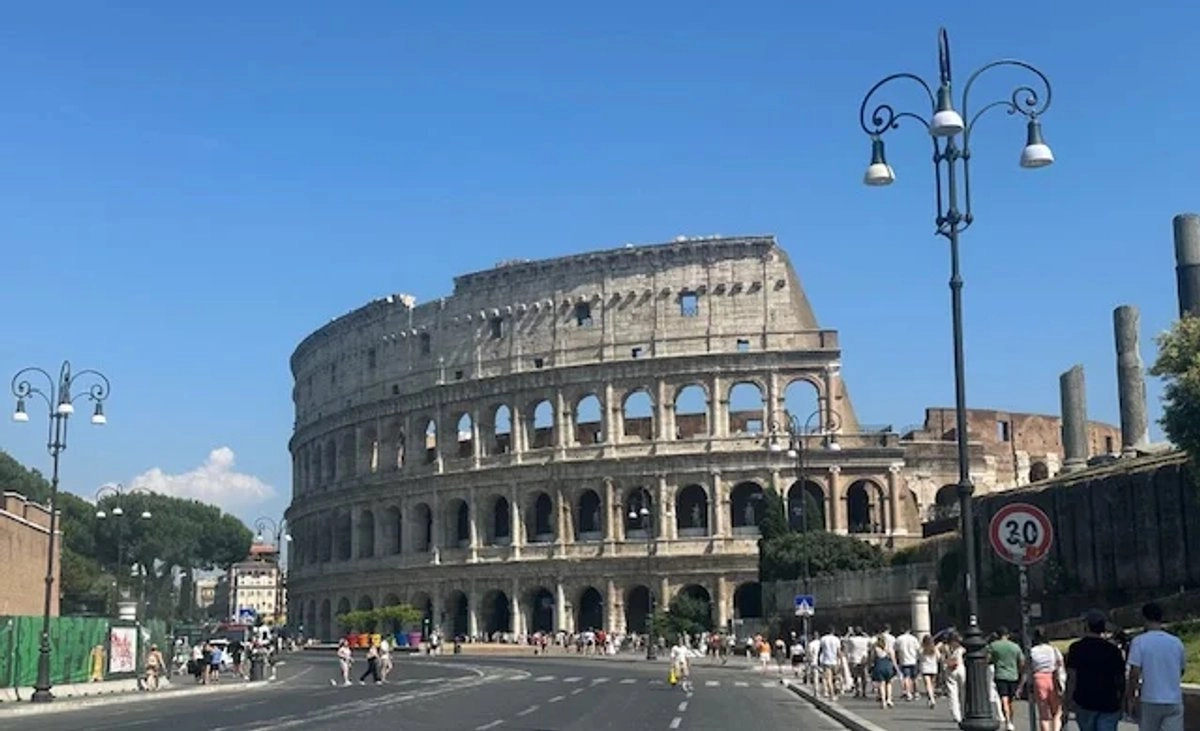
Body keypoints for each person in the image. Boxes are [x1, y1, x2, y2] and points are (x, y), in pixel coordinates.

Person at [1125, 602, 1186, 730]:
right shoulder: (1176, 642)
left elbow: (1134, 673)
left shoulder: (1139, 642)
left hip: (1150, 698)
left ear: (1144, 618)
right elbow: (1181, 670)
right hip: (1174, 699)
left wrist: (1131, 697)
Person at [1065, 609, 1126, 731]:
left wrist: (1067, 700)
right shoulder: (1113, 650)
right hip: (1109, 701)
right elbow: (1120, 678)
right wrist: (1123, 701)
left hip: (1085, 701)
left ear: (1086, 627)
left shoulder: (1076, 648)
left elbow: (1072, 677)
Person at [988, 626, 1024, 731]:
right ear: (1008, 635)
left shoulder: (993, 646)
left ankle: (1007, 720)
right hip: (1013, 675)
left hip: (1000, 675)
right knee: (1011, 700)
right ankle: (1011, 720)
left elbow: (988, 659)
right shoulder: (1015, 647)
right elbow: (1021, 662)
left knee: (1003, 698)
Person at [1028, 629, 1064, 731]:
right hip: (1052, 678)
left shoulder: (1032, 651)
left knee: (1044, 715)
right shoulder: (1053, 649)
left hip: (1038, 679)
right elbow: (1060, 664)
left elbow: (1028, 668)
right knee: (1057, 711)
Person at [942, 632, 967, 724]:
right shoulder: (961, 648)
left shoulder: (945, 647)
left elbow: (942, 658)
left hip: (949, 669)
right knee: (963, 692)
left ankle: (956, 715)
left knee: (952, 692)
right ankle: (964, 712)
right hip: (960, 668)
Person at [869, 632, 898, 709]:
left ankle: (883, 701)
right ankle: (889, 699)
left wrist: (870, 666)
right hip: (888, 666)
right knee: (889, 683)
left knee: (881, 684)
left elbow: (872, 659)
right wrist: (896, 668)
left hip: (879, 666)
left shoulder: (875, 648)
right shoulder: (889, 648)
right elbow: (893, 659)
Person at [894, 626, 921, 701]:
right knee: (915, 678)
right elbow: (918, 649)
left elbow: (895, 649)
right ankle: (916, 693)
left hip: (904, 660)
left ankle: (908, 693)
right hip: (913, 659)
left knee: (906, 677)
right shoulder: (914, 638)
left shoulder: (899, 639)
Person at [818, 626, 842, 700]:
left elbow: (820, 650)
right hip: (835, 661)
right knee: (836, 678)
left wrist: (818, 660)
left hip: (826, 661)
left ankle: (831, 694)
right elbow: (838, 651)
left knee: (828, 679)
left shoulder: (823, 639)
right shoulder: (836, 639)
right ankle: (836, 691)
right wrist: (840, 660)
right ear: (833, 631)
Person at [917, 634, 940, 709]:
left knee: (927, 684)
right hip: (933, 668)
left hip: (925, 668)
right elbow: (938, 657)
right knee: (932, 684)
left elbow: (918, 658)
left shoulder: (921, 649)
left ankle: (931, 698)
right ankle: (931, 697)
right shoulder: (934, 649)